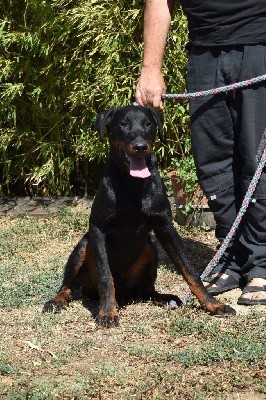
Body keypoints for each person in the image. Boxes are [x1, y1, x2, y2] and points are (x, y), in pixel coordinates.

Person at [135, 0, 266, 305]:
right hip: (204, 52)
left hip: (259, 45)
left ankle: (261, 259)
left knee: (258, 159)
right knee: (212, 160)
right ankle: (231, 256)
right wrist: (150, 69)